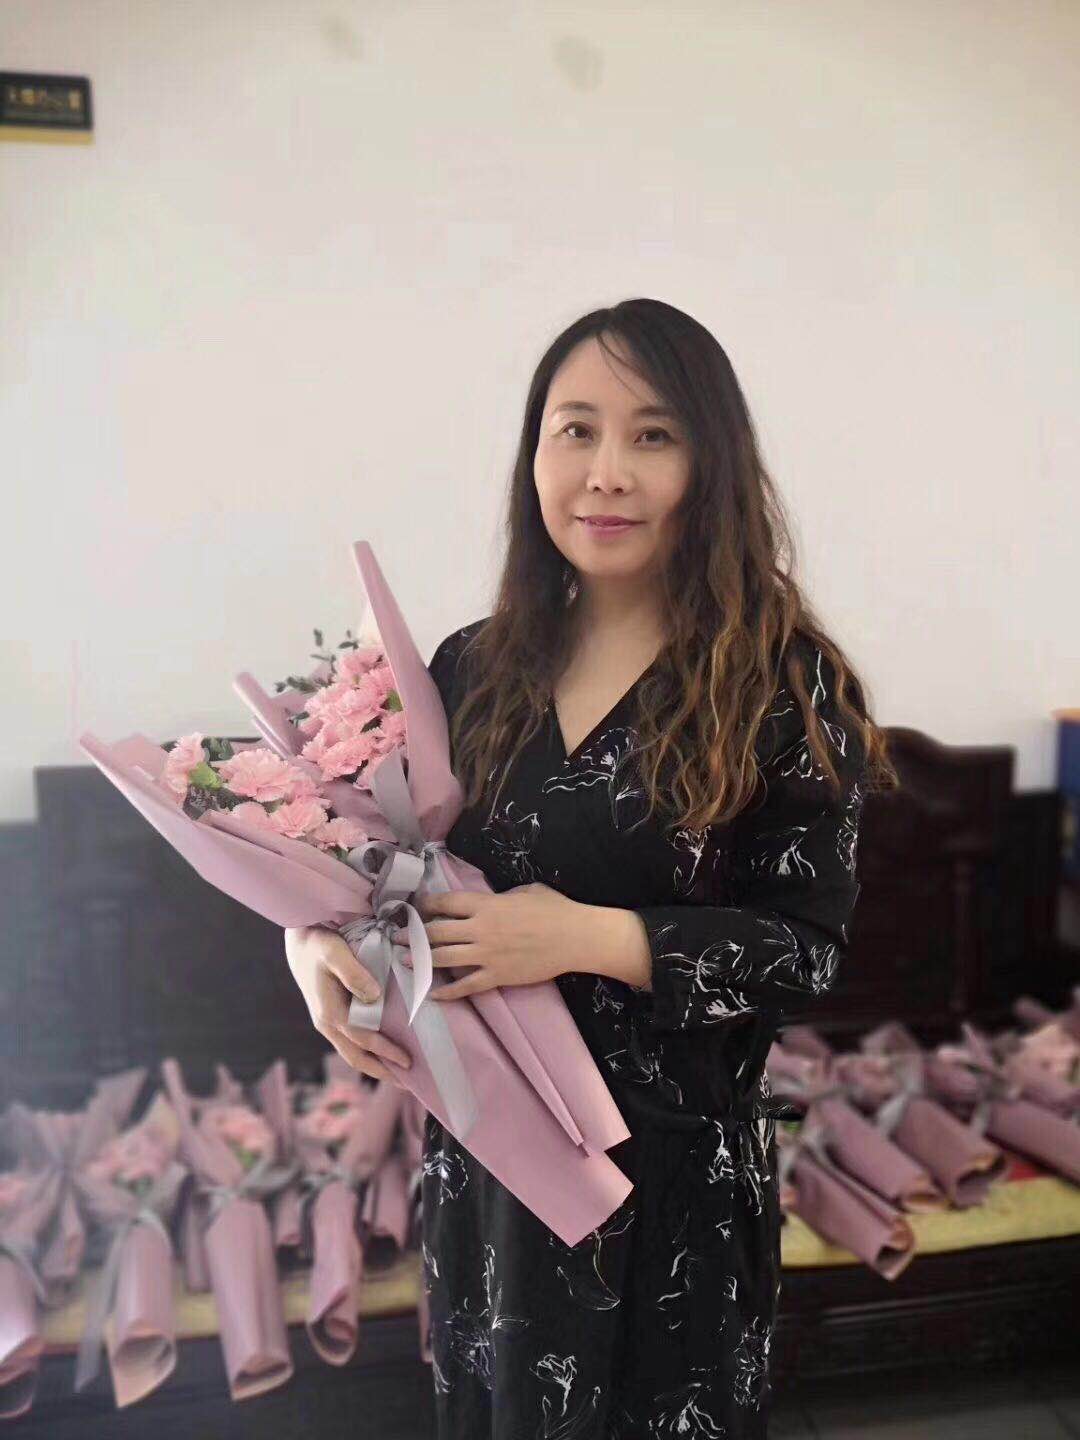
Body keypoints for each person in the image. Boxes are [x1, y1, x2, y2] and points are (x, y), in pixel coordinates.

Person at [284, 298, 897, 1438]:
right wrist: (312, 944)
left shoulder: (783, 682)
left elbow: (806, 954)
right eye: (576, 430)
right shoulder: (470, 669)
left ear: (710, 464)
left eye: (652, 435)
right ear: (535, 455)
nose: (606, 472)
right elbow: (378, 868)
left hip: (674, 1196)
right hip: (492, 1176)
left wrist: (587, 937)